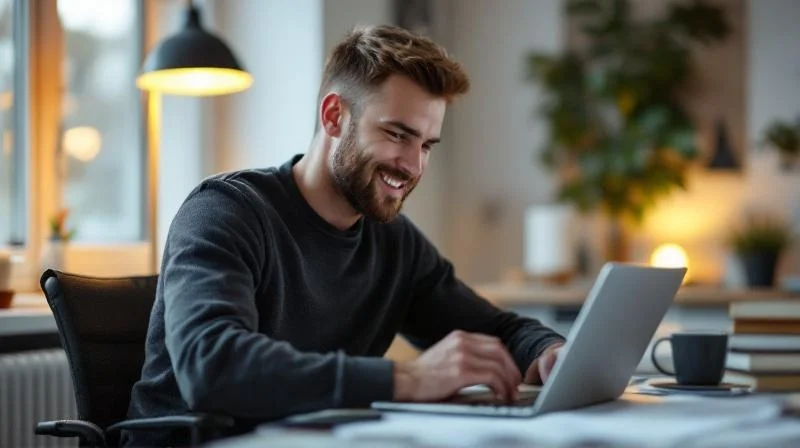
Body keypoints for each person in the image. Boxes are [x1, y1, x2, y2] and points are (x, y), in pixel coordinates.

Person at [123, 24, 565, 447]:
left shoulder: (394, 243)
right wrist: (409, 378)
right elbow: (214, 366)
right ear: (334, 116)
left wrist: (547, 351)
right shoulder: (225, 212)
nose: (413, 165)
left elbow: (495, 329)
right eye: (397, 134)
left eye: (427, 145)